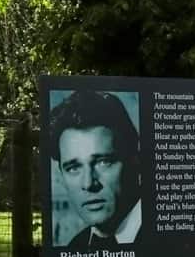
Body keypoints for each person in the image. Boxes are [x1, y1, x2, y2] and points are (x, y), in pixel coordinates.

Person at [50, 90, 142, 247]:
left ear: (135, 160)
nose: (88, 183)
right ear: (61, 175)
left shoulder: (169, 239)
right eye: (73, 168)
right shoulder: (76, 246)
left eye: (104, 162)